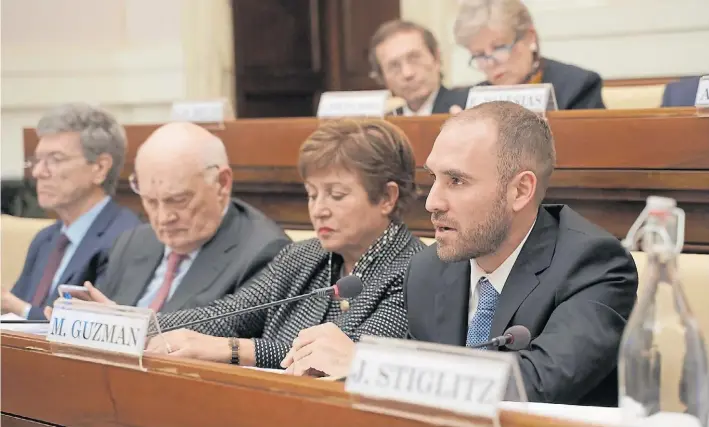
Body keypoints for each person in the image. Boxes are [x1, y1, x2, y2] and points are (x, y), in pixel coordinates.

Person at [282, 101, 638, 408]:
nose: (432, 202)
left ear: (520, 190)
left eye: (456, 181)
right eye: (433, 177)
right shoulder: (427, 269)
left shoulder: (594, 264)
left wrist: (368, 364)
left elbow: (537, 383)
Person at [70, 119, 425, 370]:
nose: (319, 209)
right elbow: (227, 314)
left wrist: (233, 351)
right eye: (312, 194)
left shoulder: (414, 270)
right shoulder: (304, 255)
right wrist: (129, 324)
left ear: (386, 198)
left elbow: (345, 357)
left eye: (336, 194)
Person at [83, 122, 290, 313]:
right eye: (151, 201)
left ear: (222, 183)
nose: (164, 217)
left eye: (178, 199)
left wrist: (126, 325)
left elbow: (220, 337)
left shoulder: (264, 253)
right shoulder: (131, 244)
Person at [2, 103, 141, 320]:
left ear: (100, 168)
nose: (38, 172)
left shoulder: (126, 239)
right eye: (37, 160)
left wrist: (18, 308)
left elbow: (99, 327)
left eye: (55, 160)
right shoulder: (45, 238)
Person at [453, 0, 605, 110]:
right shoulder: (470, 102)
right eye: (479, 54)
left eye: (499, 47)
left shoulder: (578, 87)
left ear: (530, 37)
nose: (490, 63)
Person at [369, 20, 468, 116]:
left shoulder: (467, 109)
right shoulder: (386, 124)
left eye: (414, 59)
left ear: (436, 58)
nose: (407, 73)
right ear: (382, 78)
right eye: (394, 66)